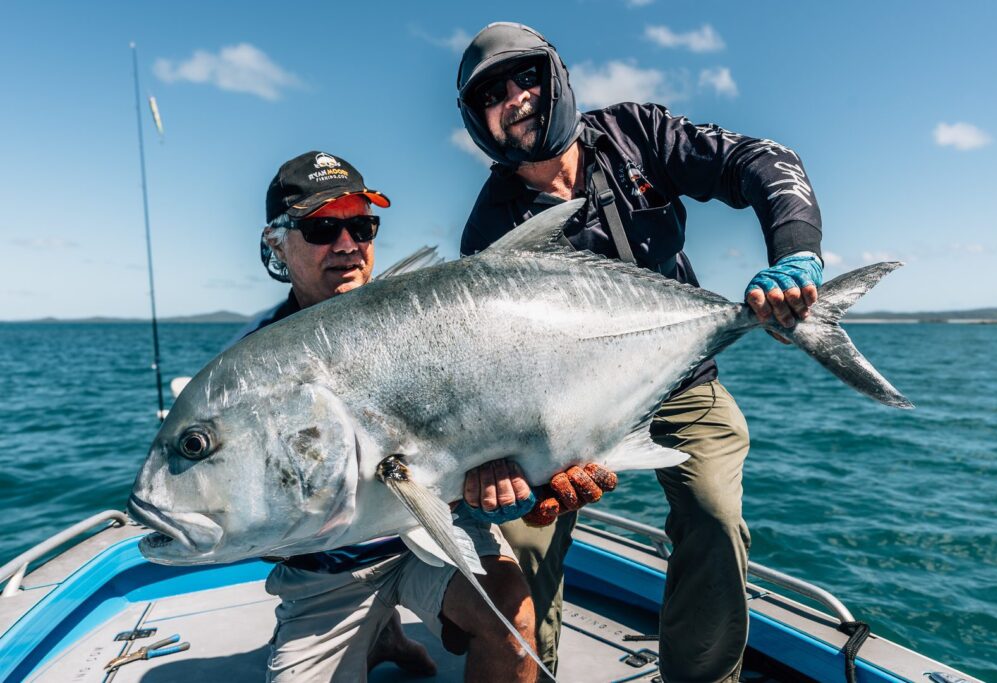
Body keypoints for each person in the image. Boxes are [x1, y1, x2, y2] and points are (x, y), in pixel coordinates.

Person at [454, 23, 826, 683]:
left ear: (556, 80)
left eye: (525, 78)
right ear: (477, 121)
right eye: (491, 95)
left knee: (715, 517)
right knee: (518, 546)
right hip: (553, 415)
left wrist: (796, 250)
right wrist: (505, 466)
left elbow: (762, 159)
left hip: (680, 379)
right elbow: (488, 373)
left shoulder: (637, 135)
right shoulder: (489, 229)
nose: (513, 98)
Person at [252, 150, 539, 683]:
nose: (347, 245)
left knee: (513, 626)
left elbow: (484, 424)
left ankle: (383, 632)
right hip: (329, 570)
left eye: (361, 226)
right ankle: (382, 633)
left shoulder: (426, 322)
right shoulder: (258, 367)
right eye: (321, 229)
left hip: (437, 532)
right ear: (276, 242)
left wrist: (510, 473)